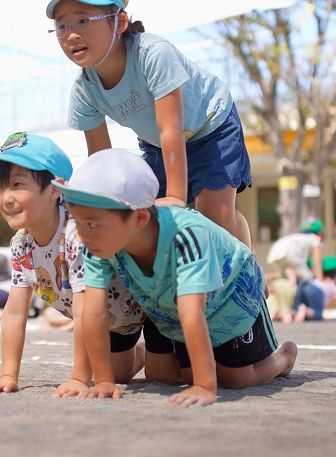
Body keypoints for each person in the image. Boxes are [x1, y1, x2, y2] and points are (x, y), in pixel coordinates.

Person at [53, 148, 297, 407]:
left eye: (92, 223)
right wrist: (103, 380)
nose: (82, 234)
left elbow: (192, 311)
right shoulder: (98, 244)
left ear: (139, 217)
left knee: (235, 378)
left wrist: (204, 387)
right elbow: (92, 312)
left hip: (233, 296)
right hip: (172, 309)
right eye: (77, 222)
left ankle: (284, 357)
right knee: (174, 376)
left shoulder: (186, 235)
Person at [47, 0, 254, 250]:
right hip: (158, 144)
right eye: (61, 26)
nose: (71, 35)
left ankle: (248, 259)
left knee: (214, 216)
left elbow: (172, 129)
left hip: (210, 126)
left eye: (84, 20)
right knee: (141, 215)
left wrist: (177, 197)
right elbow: (102, 160)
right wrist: (91, 202)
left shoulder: (154, 54)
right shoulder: (85, 89)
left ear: (119, 22)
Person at [0, 132, 145, 397]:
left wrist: (79, 378)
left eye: (17, 184)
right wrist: (8, 375)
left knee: (161, 373)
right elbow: (15, 312)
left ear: (55, 189)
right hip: (106, 324)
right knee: (121, 374)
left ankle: (160, 350)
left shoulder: (77, 233)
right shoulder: (21, 245)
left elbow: (85, 308)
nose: (6, 197)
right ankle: (143, 354)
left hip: (135, 310)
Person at [266, 216, 325, 289]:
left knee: (284, 275)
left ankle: (269, 277)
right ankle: (292, 274)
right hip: (291, 253)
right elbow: (317, 260)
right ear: (320, 233)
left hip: (274, 253)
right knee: (308, 277)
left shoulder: (296, 236)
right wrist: (320, 281)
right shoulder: (314, 238)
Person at [293, 256, 336, 322]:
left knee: (302, 310)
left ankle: (296, 312)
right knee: (317, 315)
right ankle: (305, 310)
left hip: (306, 286)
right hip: (317, 293)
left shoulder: (316, 280)